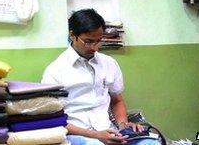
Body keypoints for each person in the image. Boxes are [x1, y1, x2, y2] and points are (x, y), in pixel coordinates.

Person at [42, 9, 159, 145]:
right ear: (72, 35)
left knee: (152, 142)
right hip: (78, 135)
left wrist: (123, 126)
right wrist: (96, 135)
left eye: (99, 41)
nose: (95, 48)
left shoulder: (109, 63)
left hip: (110, 132)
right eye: (88, 41)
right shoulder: (55, 71)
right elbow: (53, 119)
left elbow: (117, 101)